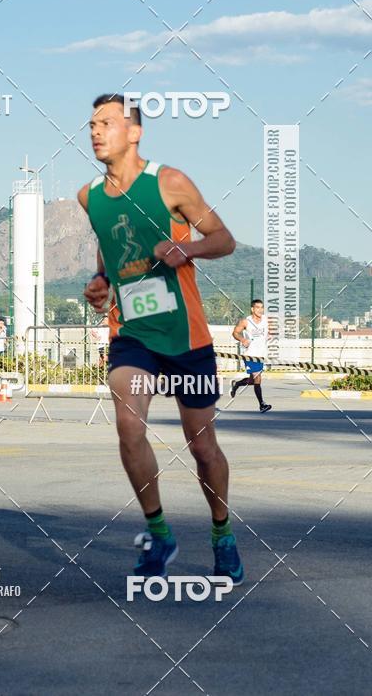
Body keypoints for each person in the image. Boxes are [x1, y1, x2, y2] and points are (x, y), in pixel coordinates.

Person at [78, 93, 243, 584]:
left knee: (202, 445)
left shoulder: (169, 182)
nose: (95, 130)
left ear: (135, 131)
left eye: (106, 122)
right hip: (132, 333)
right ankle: (158, 531)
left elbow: (224, 239)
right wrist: (100, 283)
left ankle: (222, 533)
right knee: (129, 428)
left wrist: (186, 247)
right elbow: (112, 253)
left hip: (185, 335)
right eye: (91, 123)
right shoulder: (90, 197)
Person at [230, 299, 272, 412]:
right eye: (257, 307)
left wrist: (268, 336)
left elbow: (268, 332)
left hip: (261, 355)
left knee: (252, 381)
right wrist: (242, 339)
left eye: (261, 307)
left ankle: (237, 384)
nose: (260, 310)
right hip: (250, 355)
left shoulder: (266, 320)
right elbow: (235, 332)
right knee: (257, 378)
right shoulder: (245, 321)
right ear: (252, 309)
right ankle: (262, 404)